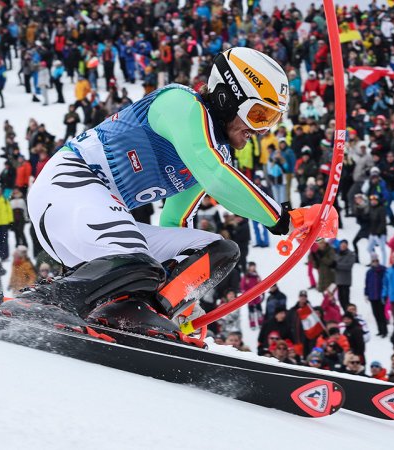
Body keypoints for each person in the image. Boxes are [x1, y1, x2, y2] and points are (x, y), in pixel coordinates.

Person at [24, 48, 337, 339]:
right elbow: (215, 176)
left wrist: (178, 295)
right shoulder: (181, 104)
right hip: (67, 188)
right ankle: (44, 300)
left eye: (271, 120)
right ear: (228, 98)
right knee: (139, 261)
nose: (261, 131)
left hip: (94, 224)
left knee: (218, 250)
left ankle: (137, 312)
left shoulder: (215, 152)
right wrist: (285, 219)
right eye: (258, 115)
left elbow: (176, 219)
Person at [364, 254, 388, 337]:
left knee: (381, 314)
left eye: (376, 261)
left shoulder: (383, 270)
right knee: (376, 314)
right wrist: (366, 293)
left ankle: (384, 330)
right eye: (373, 261)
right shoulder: (369, 272)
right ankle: (380, 330)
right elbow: (367, 283)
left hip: (381, 296)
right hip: (372, 296)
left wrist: (385, 294)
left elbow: (386, 283)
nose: (375, 262)